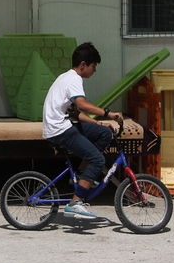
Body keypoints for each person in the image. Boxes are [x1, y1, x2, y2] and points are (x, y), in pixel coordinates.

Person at [41, 42, 123, 220]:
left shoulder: (65, 77)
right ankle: (76, 202)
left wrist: (98, 124)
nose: (95, 70)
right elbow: (82, 104)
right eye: (94, 66)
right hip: (60, 129)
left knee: (104, 133)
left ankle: (80, 174)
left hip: (60, 125)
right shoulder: (74, 79)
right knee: (98, 160)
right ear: (83, 64)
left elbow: (76, 113)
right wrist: (109, 113)